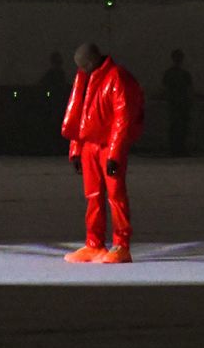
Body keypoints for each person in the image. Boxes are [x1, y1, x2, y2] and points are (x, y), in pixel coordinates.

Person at [61, 42, 144, 263]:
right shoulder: (85, 79)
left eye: (83, 65)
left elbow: (122, 118)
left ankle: (121, 245)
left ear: (90, 61)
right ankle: (94, 243)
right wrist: (76, 149)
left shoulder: (116, 78)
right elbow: (80, 115)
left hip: (108, 145)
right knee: (93, 196)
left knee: (116, 196)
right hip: (89, 145)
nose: (81, 69)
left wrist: (115, 153)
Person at [162, 49, 194, 156]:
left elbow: (165, 88)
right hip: (178, 103)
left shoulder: (171, 74)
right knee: (179, 126)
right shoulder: (183, 74)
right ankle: (177, 148)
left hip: (177, 103)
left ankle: (176, 148)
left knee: (178, 126)